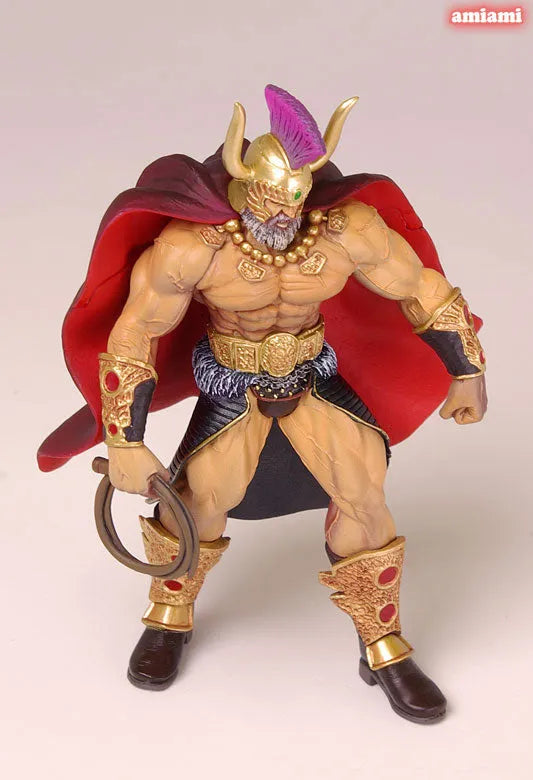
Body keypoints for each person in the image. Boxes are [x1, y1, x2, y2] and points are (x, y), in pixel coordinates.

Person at [38, 85, 487, 724]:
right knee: (196, 505)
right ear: (244, 185)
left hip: (312, 377)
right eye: (271, 199)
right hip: (233, 385)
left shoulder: (344, 230)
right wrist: (125, 440)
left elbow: (422, 287)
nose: (283, 215)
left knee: (367, 503)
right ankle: (169, 616)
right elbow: (136, 332)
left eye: (296, 199)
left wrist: (466, 370)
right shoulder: (195, 245)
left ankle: (382, 643)